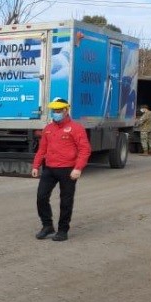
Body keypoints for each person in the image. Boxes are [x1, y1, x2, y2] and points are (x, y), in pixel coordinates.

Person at [31, 97, 91, 242]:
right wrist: (36, 165)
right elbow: (42, 149)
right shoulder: (48, 129)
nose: (55, 113)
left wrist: (78, 168)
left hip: (68, 170)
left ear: (66, 110)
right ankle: (47, 226)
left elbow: (85, 149)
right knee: (41, 197)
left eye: (58, 110)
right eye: (54, 110)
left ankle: (63, 230)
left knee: (66, 201)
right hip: (49, 169)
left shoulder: (76, 128)